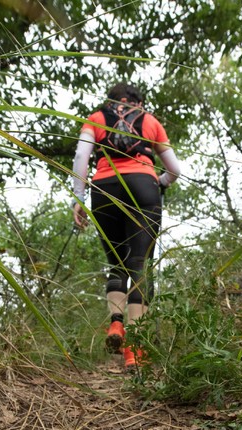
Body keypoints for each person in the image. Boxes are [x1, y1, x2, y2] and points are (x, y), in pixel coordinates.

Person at [71, 82, 181, 369]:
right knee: (139, 265)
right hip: (143, 186)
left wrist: (78, 199)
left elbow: (82, 156)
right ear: (138, 101)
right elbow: (174, 169)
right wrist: (160, 181)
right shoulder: (151, 121)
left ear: (112, 100)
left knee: (117, 264)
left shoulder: (95, 118)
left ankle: (116, 324)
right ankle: (136, 347)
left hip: (105, 190)